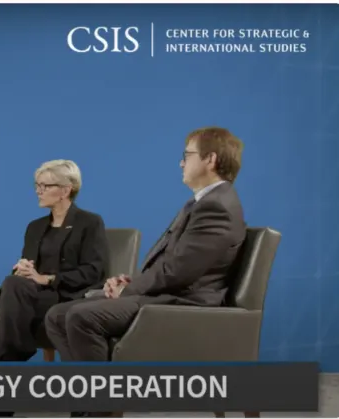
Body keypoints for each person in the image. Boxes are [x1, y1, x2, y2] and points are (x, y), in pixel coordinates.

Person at [45, 127, 246, 386]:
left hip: (185, 303)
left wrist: (128, 291)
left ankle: (100, 401)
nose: (181, 163)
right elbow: (177, 264)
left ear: (210, 159)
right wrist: (131, 283)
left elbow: (178, 272)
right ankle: (85, 399)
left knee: (82, 316)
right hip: (169, 293)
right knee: (57, 315)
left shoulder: (216, 206)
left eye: (187, 155)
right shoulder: (202, 203)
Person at [0, 159, 110, 362]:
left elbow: (94, 271)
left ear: (65, 190)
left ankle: (9, 362)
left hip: (68, 295)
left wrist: (48, 279)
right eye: (37, 185)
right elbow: (29, 269)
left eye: (45, 186)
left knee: (12, 295)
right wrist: (22, 269)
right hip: (34, 295)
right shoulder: (35, 227)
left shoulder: (90, 222)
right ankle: (11, 359)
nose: (38, 191)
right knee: (13, 282)